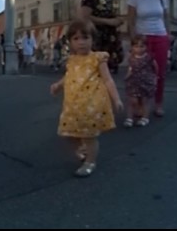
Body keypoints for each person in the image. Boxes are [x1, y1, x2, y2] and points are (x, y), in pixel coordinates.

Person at [50, 20, 123, 177]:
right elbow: (68, 76)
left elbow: (108, 79)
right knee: (68, 133)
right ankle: (82, 150)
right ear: (70, 42)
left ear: (92, 39)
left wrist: (116, 99)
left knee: (89, 136)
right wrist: (58, 85)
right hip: (73, 106)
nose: (81, 42)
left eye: (85, 37)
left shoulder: (97, 58)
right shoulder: (71, 60)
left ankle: (90, 161)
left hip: (92, 105)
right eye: (76, 39)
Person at [127, 0, 170, 117]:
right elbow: (131, 20)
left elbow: (166, 17)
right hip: (143, 38)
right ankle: (140, 105)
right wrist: (133, 39)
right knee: (140, 73)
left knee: (160, 73)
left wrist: (168, 35)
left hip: (160, 35)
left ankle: (158, 104)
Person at [80, 0, 125, 73]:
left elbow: (110, 16)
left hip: (109, 41)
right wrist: (109, 22)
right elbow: (85, 17)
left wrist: (118, 20)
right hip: (97, 41)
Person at [123, 35, 158, 128]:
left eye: (142, 46)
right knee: (132, 100)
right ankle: (129, 118)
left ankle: (145, 117)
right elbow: (130, 68)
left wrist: (155, 76)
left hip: (145, 82)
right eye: (136, 46)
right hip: (134, 82)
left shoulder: (148, 57)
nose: (139, 49)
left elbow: (155, 66)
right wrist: (127, 76)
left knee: (144, 100)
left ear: (146, 47)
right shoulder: (131, 58)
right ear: (132, 47)